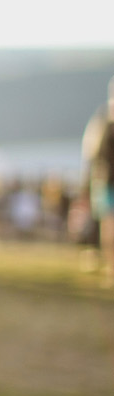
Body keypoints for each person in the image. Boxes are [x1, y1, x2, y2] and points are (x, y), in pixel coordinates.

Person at [82, 77, 114, 286]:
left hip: (105, 180)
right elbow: (93, 154)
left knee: (109, 224)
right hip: (108, 181)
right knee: (110, 223)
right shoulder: (104, 121)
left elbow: (90, 153)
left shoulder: (103, 120)